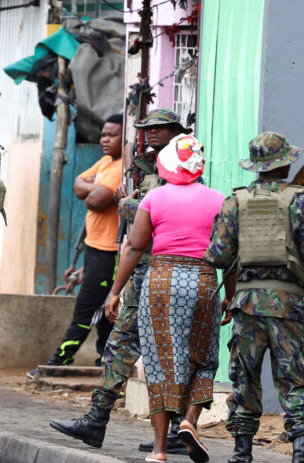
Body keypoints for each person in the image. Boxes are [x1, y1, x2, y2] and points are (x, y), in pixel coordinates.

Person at [50, 109, 193, 453]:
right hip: (142, 267)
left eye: (161, 128)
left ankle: (175, 430)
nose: (153, 134)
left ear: (176, 131)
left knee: (167, 351)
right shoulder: (144, 164)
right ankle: (97, 420)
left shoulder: (186, 164)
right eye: (149, 128)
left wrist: (126, 203)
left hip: (168, 267)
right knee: (121, 343)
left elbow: (153, 211)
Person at [204, 132, 304, 463]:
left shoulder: (235, 201)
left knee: (244, 377)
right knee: (296, 378)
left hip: (246, 306)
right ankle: (301, 455)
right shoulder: (300, 200)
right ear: (285, 163)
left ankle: (241, 454)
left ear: (256, 168)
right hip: (288, 305)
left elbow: (217, 255)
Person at [102, 134, 225, 463]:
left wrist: (114, 292)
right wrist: (232, 294)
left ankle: (158, 450)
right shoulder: (219, 200)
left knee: (160, 361)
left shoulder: (153, 198)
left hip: (161, 281)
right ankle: (189, 420)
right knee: (203, 355)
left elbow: (134, 246)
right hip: (203, 280)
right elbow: (231, 253)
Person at [30, 114, 123, 378]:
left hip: (109, 252)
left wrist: (91, 188)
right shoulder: (106, 161)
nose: (104, 139)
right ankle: (105, 358)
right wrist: (92, 187)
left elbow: (95, 201)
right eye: (103, 134)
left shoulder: (119, 169)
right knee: (102, 310)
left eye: (111, 135)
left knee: (87, 307)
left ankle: (60, 359)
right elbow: (77, 184)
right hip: (94, 248)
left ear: (123, 138)